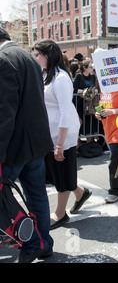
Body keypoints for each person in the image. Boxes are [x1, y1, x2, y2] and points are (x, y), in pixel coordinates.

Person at [0, 28, 54, 262]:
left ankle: (33, 242)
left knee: (4, 195)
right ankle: (44, 243)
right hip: (35, 141)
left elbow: (5, 112)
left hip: (16, 145)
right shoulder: (27, 58)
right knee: (37, 196)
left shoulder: (4, 60)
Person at [32, 40, 92, 230]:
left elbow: (66, 111)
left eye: (37, 55)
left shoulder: (61, 78)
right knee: (57, 172)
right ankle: (80, 193)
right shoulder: (45, 75)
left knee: (61, 172)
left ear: (47, 55)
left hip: (63, 134)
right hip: (50, 133)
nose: (35, 58)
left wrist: (59, 144)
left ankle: (60, 213)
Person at [95, 90, 118, 203]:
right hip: (109, 129)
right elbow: (104, 106)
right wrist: (99, 113)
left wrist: (113, 111)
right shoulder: (104, 89)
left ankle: (115, 191)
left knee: (115, 163)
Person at [72, 58, 100, 147]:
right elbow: (75, 89)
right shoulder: (79, 76)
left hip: (90, 104)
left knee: (89, 125)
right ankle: (78, 145)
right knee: (80, 125)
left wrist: (94, 91)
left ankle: (89, 145)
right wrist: (86, 91)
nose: (92, 69)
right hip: (80, 104)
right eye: (90, 67)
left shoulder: (92, 77)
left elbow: (94, 88)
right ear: (85, 68)